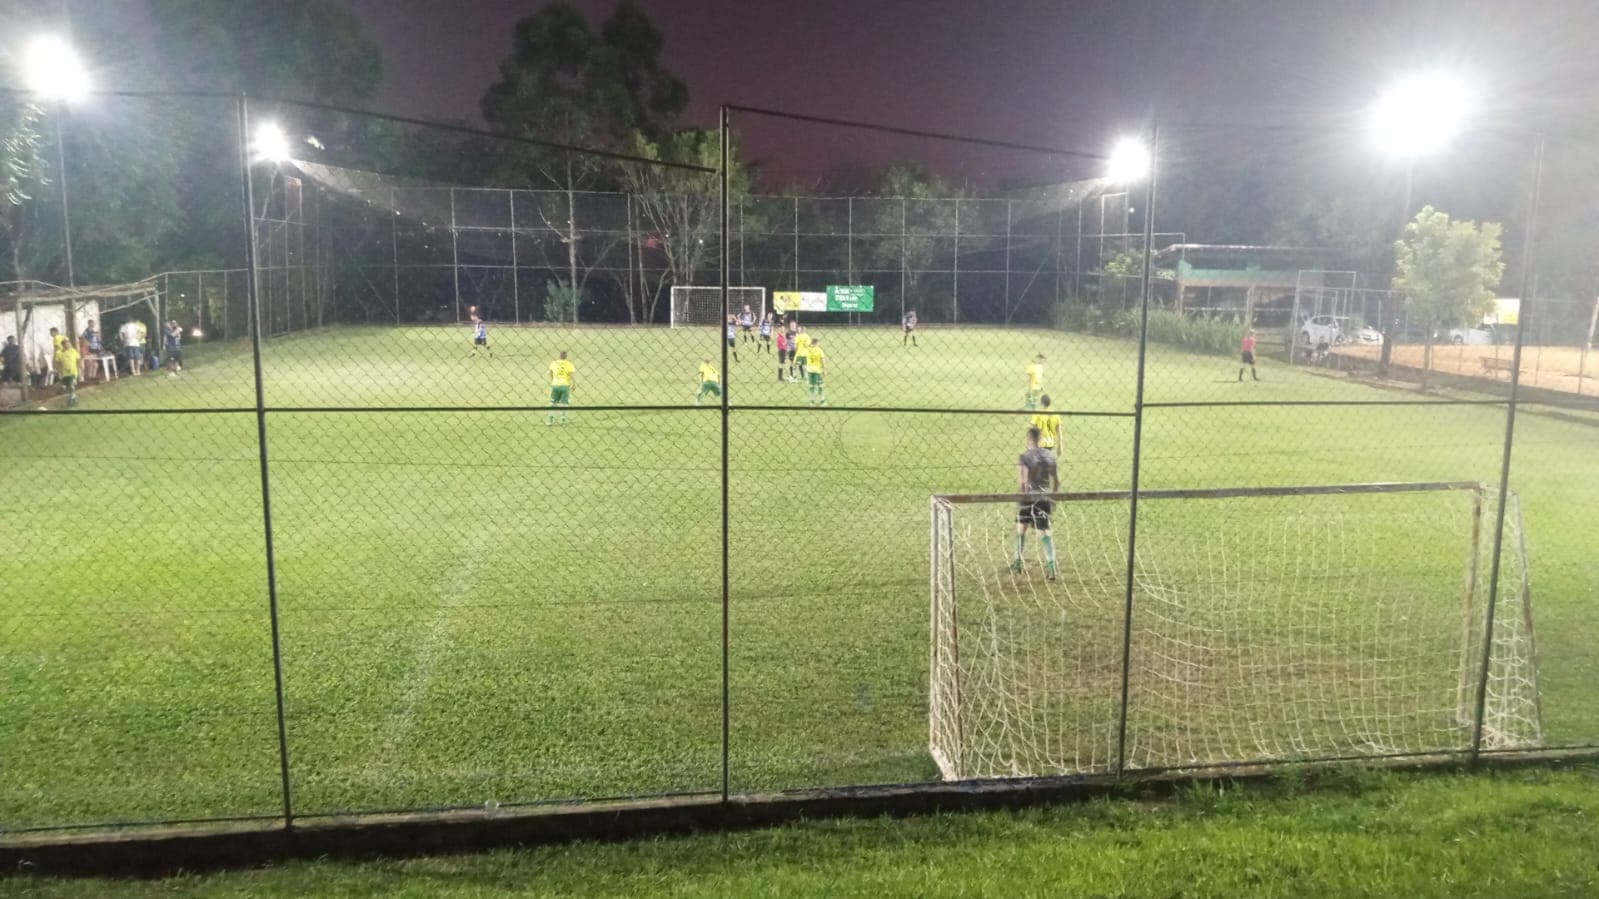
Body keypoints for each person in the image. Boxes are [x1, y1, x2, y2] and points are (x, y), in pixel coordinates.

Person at [1011, 426, 1059, 580]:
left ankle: (1018, 561)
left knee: (1021, 527)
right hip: (1044, 496)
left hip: (1028, 496)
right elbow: (1056, 481)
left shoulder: (1024, 457)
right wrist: (1053, 497)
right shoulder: (1050, 456)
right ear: (1041, 439)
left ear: (1029, 439)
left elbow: (1024, 481)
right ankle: (1051, 566)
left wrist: (1021, 496)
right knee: (1044, 531)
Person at [547, 350, 575, 425]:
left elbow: (550, 373)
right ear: (566, 356)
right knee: (564, 404)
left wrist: (552, 381)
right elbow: (571, 375)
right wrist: (574, 384)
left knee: (552, 403)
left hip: (555, 385)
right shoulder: (569, 364)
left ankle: (550, 420)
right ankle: (563, 420)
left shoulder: (554, 363)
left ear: (559, 356)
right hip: (565, 386)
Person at [55, 336, 81, 408]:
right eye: (66, 343)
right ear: (63, 345)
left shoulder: (73, 351)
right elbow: (57, 362)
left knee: (71, 386)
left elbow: (78, 359)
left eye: (69, 343)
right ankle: (74, 400)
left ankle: (71, 402)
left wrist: (78, 368)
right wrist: (59, 370)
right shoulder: (59, 353)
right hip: (65, 374)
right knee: (68, 388)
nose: (68, 344)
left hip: (73, 372)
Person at [805, 337, 827, 405]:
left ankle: (812, 401)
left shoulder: (808, 349)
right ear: (816, 343)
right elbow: (823, 360)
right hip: (817, 370)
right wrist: (825, 369)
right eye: (818, 343)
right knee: (820, 386)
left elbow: (806, 345)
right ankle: (822, 400)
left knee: (811, 386)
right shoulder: (819, 350)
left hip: (809, 370)